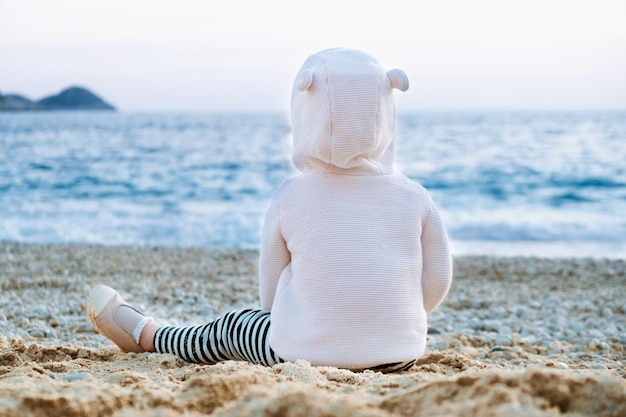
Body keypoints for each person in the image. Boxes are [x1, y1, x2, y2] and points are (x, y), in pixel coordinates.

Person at [88, 47, 453, 373]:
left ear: (305, 111)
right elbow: (435, 286)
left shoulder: (289, 196)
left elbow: (271, 296)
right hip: (399, 353)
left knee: (232, 328)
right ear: (386, 107)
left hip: (302, 352)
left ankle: (149, 335)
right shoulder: (416, 197)